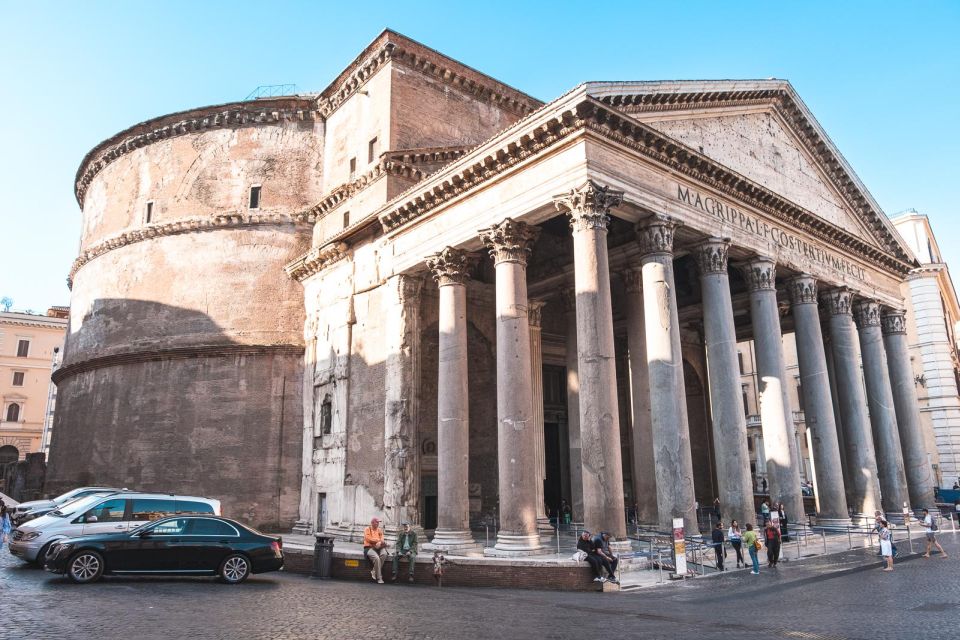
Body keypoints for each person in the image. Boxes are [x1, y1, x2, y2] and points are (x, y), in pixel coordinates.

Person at [363, 517, 389, 584]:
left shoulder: (379, 530)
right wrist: (378, 541)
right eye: (376, 522)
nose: (378, 524)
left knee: (384, 554)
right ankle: (379, 578)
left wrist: (380, 542)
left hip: (379, 547)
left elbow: (382, 539)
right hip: (369, 547)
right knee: (377, 558)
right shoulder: (367, 529)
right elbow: (368, 539)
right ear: (372, 523)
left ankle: (374, 571)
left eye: (378, 522)